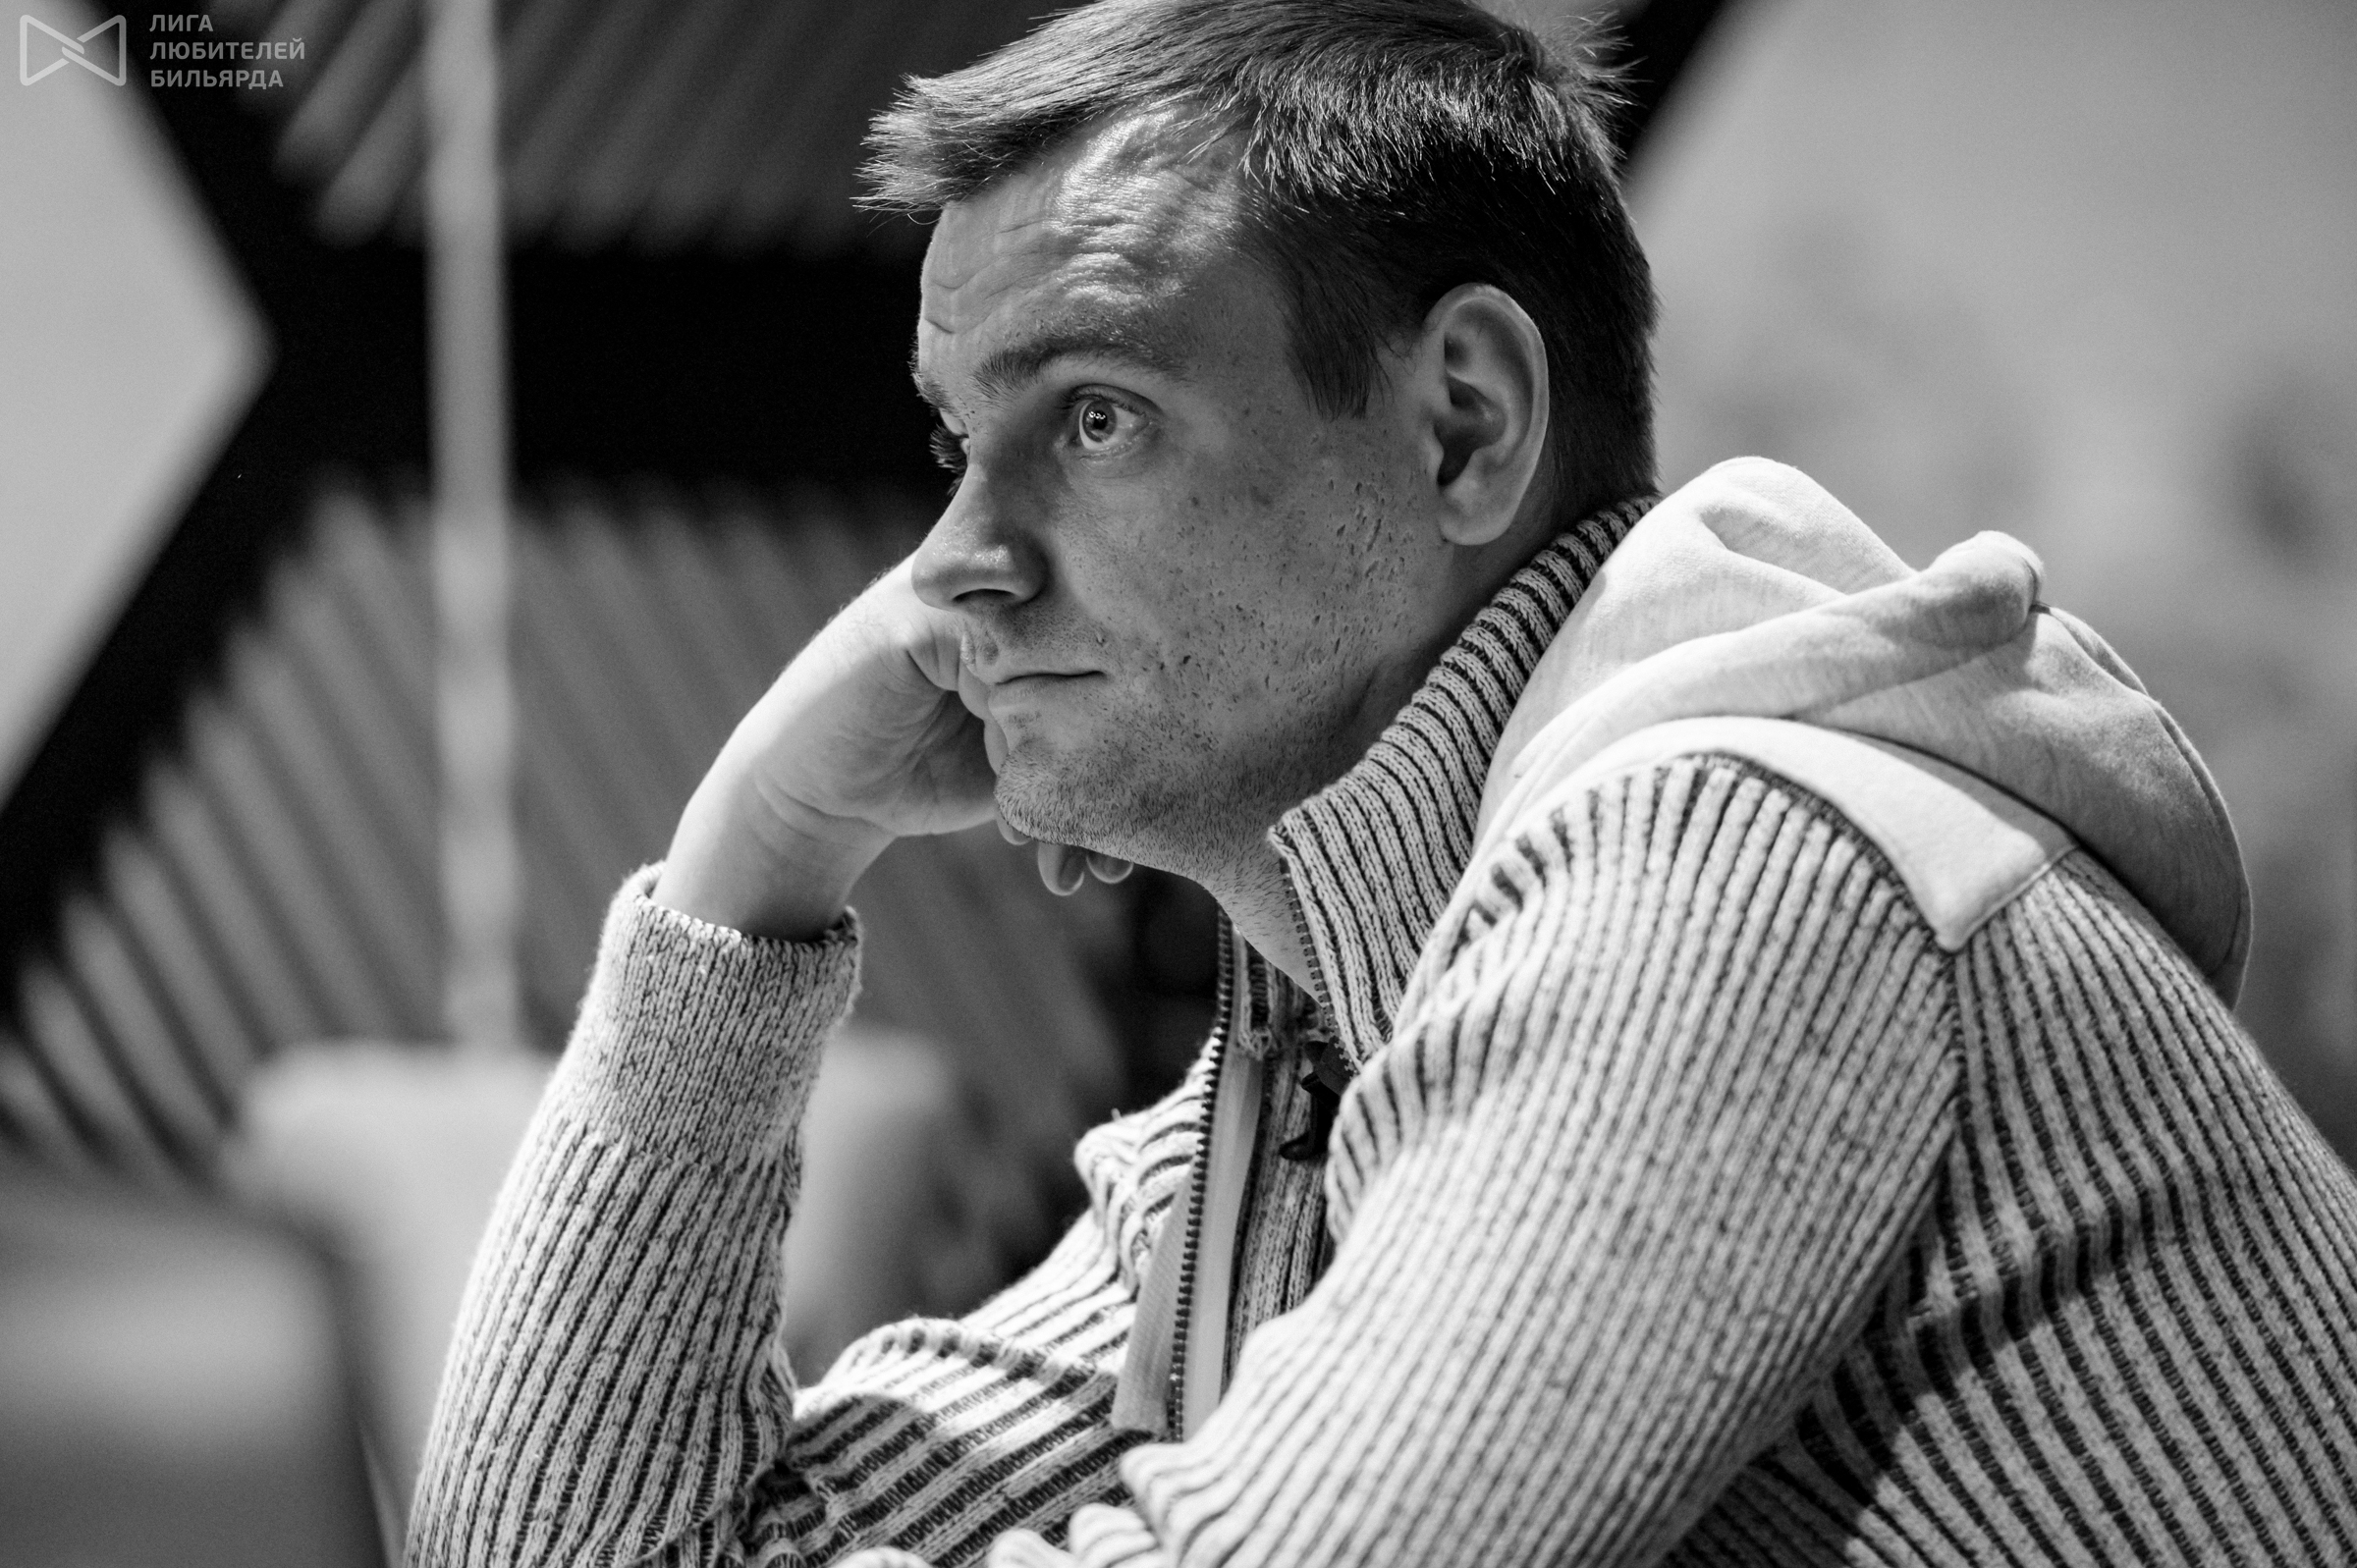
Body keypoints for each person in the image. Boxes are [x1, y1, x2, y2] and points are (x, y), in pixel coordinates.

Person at [408, 1, 2357, 1563]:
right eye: (954, 443)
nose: (953, 568)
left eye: (1097, 417)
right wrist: (757, 854)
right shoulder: (1310, 1084)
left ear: (1464, 423)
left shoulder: (1743, 876)